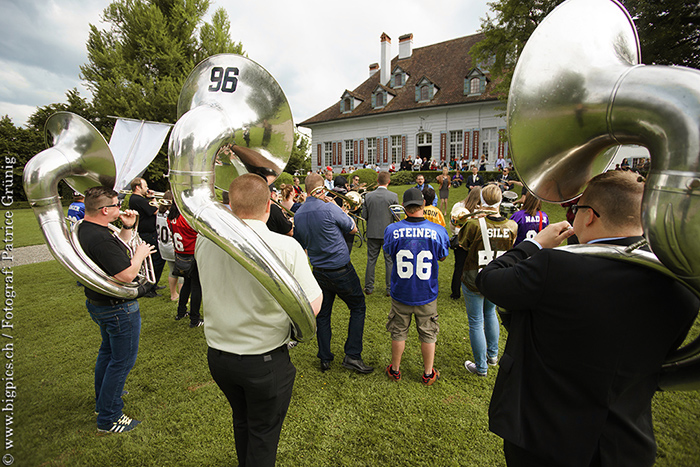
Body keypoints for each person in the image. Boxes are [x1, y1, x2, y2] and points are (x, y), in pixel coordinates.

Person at [477, 170, 700, 467]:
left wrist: (535, 245)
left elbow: (489, 279)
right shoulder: (684, 288)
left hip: (542, 438)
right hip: (624, 445)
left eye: (576, 209)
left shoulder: (555, 267)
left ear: (590, 215)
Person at [196, 174, 322, 467]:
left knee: (242, 421)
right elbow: (313, 305)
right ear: (269, 206)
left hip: (219, 357)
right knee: (263, 434)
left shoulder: (205, 242)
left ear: (229, 204)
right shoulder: (286, 247)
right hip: (264, 361)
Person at [78, 186, 154, 433]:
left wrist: (128, 228)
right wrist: (141, 254)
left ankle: (104, 401)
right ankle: (109, 418)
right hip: (118, 308)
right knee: (121, 361)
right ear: (104, 210)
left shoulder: (88, 228)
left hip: (100, 304)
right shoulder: (99, 237)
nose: (120, 209)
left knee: (108, 354)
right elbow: (125, 274)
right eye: (116, 206)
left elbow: (112, 254)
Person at [294, 173, 373, 374]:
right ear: (321, 189)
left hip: (319, 271)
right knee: (358, 307)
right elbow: (353, 229)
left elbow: (301, 243)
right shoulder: (330, 207)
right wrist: (338, 209)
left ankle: (325, 358)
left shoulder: (299, 214)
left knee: (323, 314)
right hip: (340, 269)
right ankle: (352, 356)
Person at [383, 188, 450, 385]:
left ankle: (395, 369)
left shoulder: (392, 229)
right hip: (426, 291)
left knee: (398, 331)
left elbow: (390, 252)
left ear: (404, 206)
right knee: (428, 332)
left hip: (401, 290)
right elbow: (443, 256)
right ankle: (428, 373)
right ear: (423, 205)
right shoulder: (438, 230)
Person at [459, 184, 517, 377]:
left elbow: (462, 245)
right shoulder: (512, 226)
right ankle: (492, 357)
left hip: (474, 277)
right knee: (491, 313)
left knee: (476, 321)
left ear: (481, 200)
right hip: (498, 277)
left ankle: (481, 366)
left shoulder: (475, 224)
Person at [362, 171, 398, 296]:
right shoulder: (393, 196)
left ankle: (368, 287)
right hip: (388, 233)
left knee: (371, 260)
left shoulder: (368, 196)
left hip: (372, 232)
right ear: (389, 182)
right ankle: (389, 289)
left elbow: (364, 216)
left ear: (377, 181)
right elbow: (397, 217)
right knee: (389, 261)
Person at [128, 177, 165, 297]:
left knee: (154, 260)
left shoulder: (139, 199)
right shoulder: (138, 199)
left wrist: (151, 198)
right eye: (145, 186)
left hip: (148, 232)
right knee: (156, 260)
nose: (147, 188)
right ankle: (149, 287)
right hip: (148, 234)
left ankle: (152, 285)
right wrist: (153, 199)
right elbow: (156, 210)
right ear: (138, 187)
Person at [168, 204, 203, 327]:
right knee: (196, 287)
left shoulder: (171, 217)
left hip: (180, 254)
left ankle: (181, 312)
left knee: (187, 283)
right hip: (192, 255)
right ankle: (194, 319)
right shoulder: (186, 218)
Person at [449, 186, 481, 300]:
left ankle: (455, 293)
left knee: (459, 267)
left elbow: (452, 223)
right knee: (474, 267)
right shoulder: (480, 210)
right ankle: (474, 290)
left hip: (460, 239)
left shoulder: (458, 205)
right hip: (474, 242)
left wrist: (456, 233)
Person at [155, 191, 182, 301]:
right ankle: (183, 296)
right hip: (173, 245)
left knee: (172, 270)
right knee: (182, 272)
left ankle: (173, 294)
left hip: (163, 245)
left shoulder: (159, 213)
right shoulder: (172, 214)